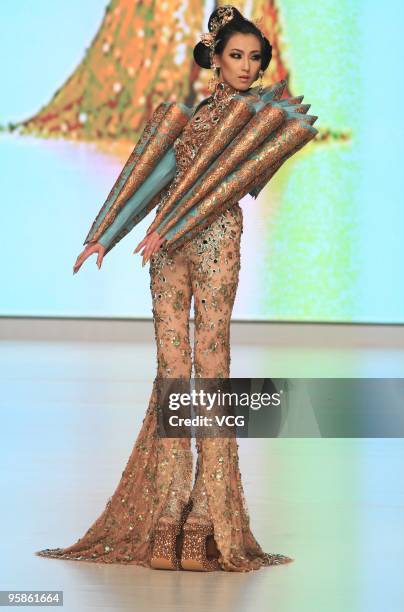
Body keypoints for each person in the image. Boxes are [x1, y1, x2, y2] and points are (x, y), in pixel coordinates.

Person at [36, 5, 318, 572]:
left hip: (215, 242)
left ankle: (204, 518)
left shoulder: (258, 118)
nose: (245, 65)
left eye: (255, 58)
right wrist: (104, 238)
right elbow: (153, 181)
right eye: (235, 55)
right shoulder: (190, 116)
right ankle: (167, 506)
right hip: (165, 252)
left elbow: (222, 186)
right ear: (213, 58)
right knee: (171, 372)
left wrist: (171, 224)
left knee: (209, 370)